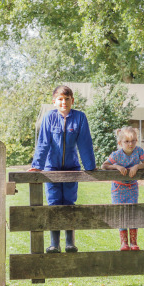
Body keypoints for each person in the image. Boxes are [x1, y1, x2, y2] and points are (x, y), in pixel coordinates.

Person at [29, 85, 96, 253]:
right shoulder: (48, 118)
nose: (64, 102)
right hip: (51, 168)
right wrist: (37, 166)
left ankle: (70, 242)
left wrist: (90, 167)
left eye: (67, 99)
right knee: (54, 203)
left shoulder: (80, 118)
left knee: (69, 203)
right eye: (60, 99)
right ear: (54, 102)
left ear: (72, 100)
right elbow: (43, 142)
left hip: (72, 168)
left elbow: (85, 143)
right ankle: (54, 244)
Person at [102, 126, 144, 251]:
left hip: (132, 187)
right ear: (120, 143)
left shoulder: (138, 151)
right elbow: (105, 165)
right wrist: (116, 166)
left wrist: (137, 167)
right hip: (118, 188)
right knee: (121, 213)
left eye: (133, 140)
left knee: (132, 212)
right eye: (127, 141)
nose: (130, 144)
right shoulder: (116, 155)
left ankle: (134, 242)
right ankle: (124, 242)